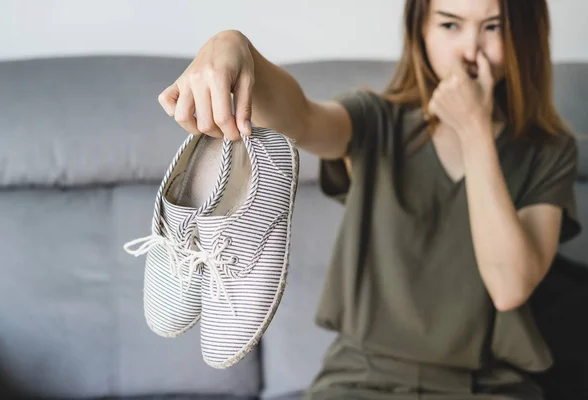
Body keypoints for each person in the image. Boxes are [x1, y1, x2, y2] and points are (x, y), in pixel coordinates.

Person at [157, 0, 582, 398]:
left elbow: (510, 287)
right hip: (359, 380)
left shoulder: (549, 150)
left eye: (494, 27)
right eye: (450, 24)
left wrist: (474, 131)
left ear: (525, 33)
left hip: (488, 386)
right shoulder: (378, 119)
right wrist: (233, 45)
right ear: (421, 32)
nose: (471, 48)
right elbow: (301, 117)